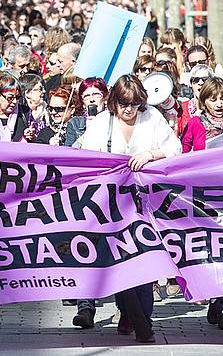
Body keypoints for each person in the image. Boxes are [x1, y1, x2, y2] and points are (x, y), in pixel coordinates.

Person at [81, 74, 182, 343]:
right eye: (124, 104)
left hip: (145, 202)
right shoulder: (103, 122)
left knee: (146, 258)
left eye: (135, 104)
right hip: (111, 203)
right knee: (120, 260)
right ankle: (130, 313)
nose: (129, 110)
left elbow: (175, 147)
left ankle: (142, 318)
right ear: (114, 102)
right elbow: (88, 156)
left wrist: (150, 155)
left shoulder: (152, 118)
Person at [180, 77, 223, 330]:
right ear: (203, 101)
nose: (219, 103)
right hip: (203, 197)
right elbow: (182, 155)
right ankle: (214, 296)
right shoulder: (194, 124)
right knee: (212, 249)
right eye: (213, 98)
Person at [0, 72, 35, 142]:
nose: (14, 101)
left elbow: (38, 141)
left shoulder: (25, 113)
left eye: (17, 97)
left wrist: (32, 136)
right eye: (10, 97)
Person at [64, 77, 109, 147]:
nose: (92, 99)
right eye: (87, 96)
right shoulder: (75, 123)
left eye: (96, 94)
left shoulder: (113, 121)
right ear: (83, 103)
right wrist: (88, 132)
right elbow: (70, 152)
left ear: (105, 98)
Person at [176, 64, 214, 135]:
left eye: (205, 79)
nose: (200, 83)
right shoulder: (181, 109)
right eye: (196, 80)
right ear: (191, 84)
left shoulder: (222, 107)